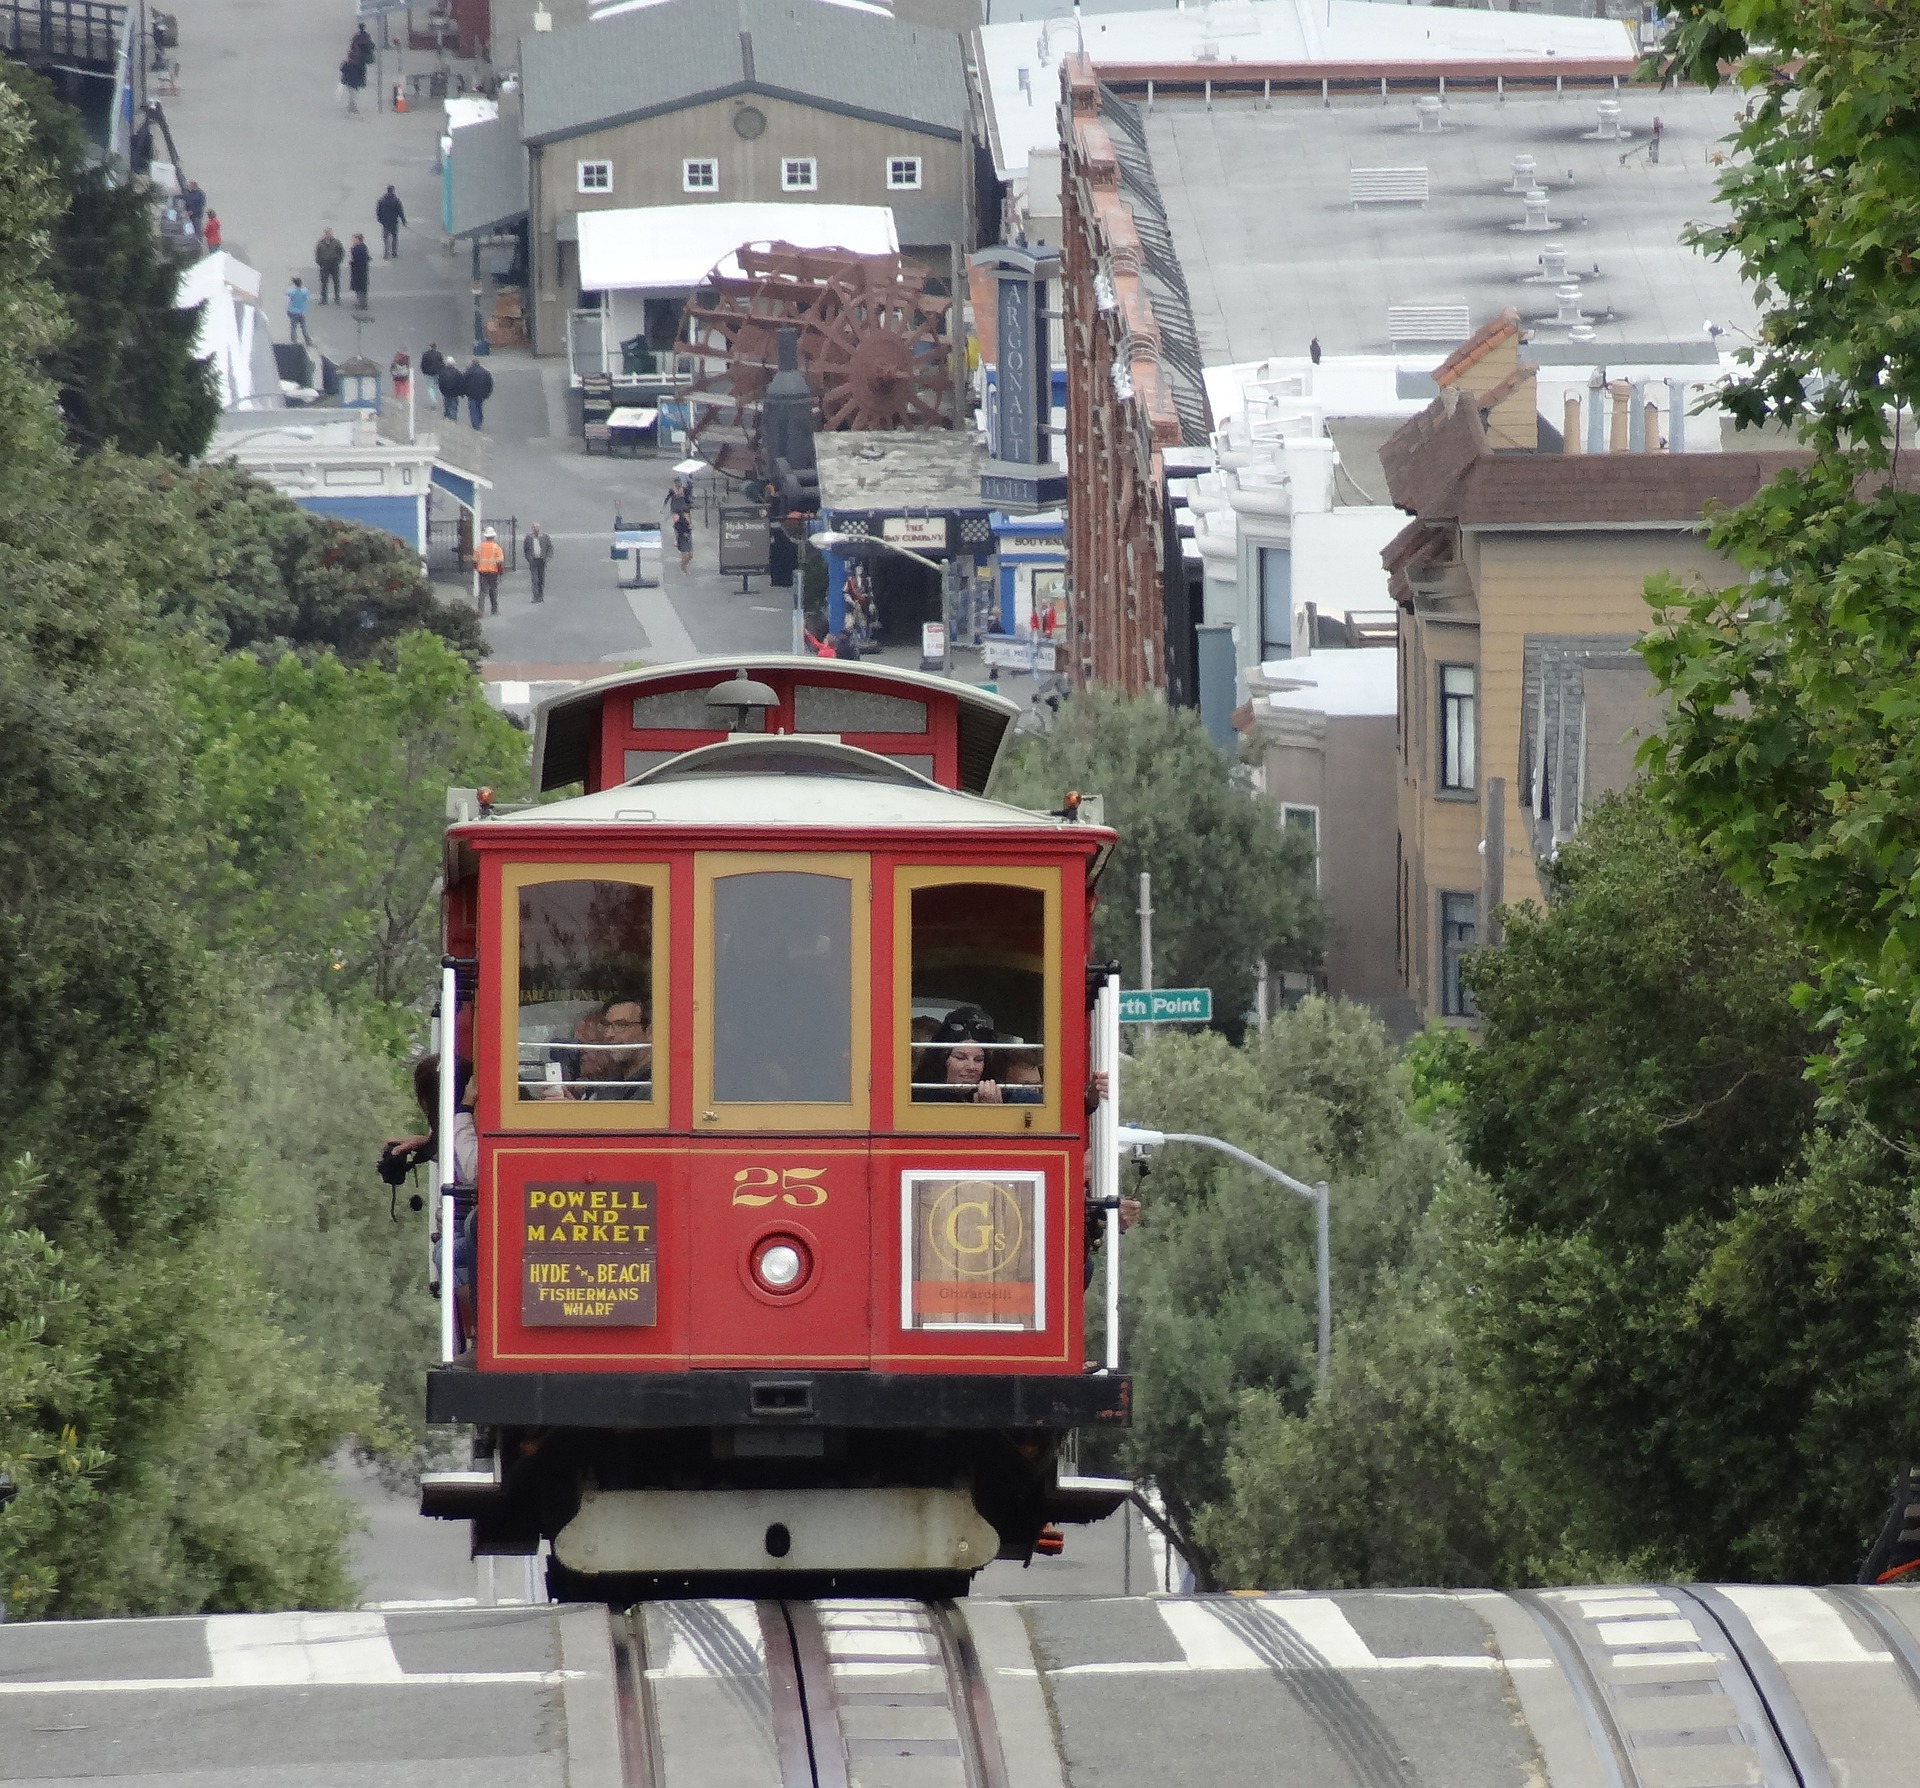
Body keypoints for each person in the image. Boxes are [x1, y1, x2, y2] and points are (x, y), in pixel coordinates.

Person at [569, 998, 652, 1099]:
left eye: (621, 1025)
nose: (609, 1034)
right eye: (607, 1026)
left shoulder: (656, 1087)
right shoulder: (613, 1081)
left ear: (649, 1032)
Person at [473, 525, 505, 615]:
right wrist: (501, 573)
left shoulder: (479, 547)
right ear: (493, 536)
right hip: (493, 572)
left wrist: (478, 569)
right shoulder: (496, 548)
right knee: (493, 590)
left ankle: (480, 610)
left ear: (485, 536)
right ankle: (494, 609)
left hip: (482, 572)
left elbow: (474, 561)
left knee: (482, 592)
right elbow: (499, 563)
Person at [524, 522, 552, 603]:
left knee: (541, 579)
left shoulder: (544, 537)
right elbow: (526, 550)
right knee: (534, 579)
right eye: (533, 527)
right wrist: (529, 559)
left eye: (536, 527)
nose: (535, 529)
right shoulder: (529, 537)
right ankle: (535, 596)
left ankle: (541, 595)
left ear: (539, 528)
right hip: (533, 561)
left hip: (542, 560)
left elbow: (549, 547)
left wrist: (547, 558)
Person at [314, 227, 344, 304]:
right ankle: (324, 299)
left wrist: (338, 260)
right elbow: (317, 253)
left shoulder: (336, 242)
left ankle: (337, 298)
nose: (328, 234)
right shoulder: (320, 243)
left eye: (329, 233)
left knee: (336, 282)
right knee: (324, 282)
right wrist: (319, 262)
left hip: (334, 265)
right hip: (324, 265)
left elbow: (341, 252)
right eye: (326, 233)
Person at [376, 185, 406, 258]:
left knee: (385, 238)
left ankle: (386, 253)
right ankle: (394, 253)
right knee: (394, 238)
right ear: (393, 191)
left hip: (385, 223)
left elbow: (378, 212)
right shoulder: (396, 201)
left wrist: (380, 220)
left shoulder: (381, 200)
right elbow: (400, 211)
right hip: (394, 222)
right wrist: (403, 221)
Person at [464, 358, 494, 429]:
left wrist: (464, 392)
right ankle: (480, 420)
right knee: (479, 407)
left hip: (472, 394)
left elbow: (464, 382)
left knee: (473, 409)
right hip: (481, 394)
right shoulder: (485, 372)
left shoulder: (468, 372)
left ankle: (476, 425)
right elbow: (490, 383)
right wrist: (487, 393)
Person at [285, 276, 311, 346]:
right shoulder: (304, 291)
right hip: (301, 312)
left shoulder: (292, 291)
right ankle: (307, 341)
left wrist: (290, 285)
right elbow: (306, 295)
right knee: (303, 327)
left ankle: (294, 341)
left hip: (292, 311)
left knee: (293, 327)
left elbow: (286, 293)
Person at [436, 355, 465, 420]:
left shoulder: (443, 372)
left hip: (446, 393)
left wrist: (442, 391)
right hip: (454, 393)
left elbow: (440, 383)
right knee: (454, 407)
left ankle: (447, 418)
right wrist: (461, 393)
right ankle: (453, 421)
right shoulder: (457, 373)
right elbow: (461, 383)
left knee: (447, 406)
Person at [348, 233, 371, 309]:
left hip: (360, 271)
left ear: (358, 240)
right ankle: (361, 303)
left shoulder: (360, 248)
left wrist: (352, 262)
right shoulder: (357, 247)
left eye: (354, 239)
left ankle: (363, 304)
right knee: (359, 288)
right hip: (357, 271)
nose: (353, 241)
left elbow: (360, 260)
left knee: (361, 288)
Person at [673, 506, 693, 573]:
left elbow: (690, 528)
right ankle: (683, 569)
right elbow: (676, 530)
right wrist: (676, 540)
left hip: (688, 538)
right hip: (682, 539)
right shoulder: (679, 521)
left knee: (690, 555)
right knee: (685, 556)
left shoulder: (688, 520)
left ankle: (685, 566)